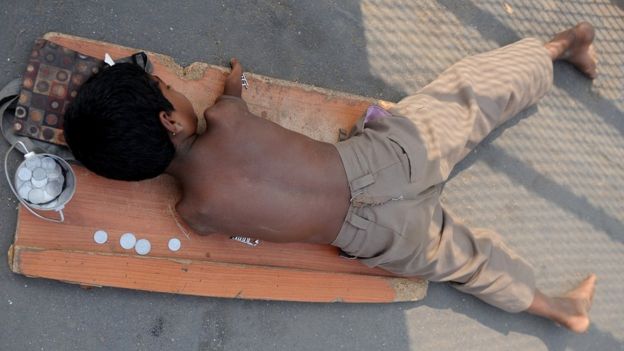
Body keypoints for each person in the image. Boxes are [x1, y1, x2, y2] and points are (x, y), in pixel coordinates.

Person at [63, 22, 598, 333]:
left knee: (466, 264)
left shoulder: (196, 212)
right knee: (468, 98)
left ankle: (559, 308)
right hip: (391, 158)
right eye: (167, 86)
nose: (175, 84)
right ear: (172, 119)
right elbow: (232, 99)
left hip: (382, 236)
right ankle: (555, 50)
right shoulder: (226, 118)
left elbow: (211, 220)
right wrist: (233, 83)